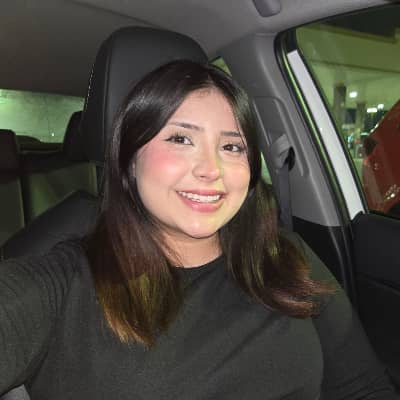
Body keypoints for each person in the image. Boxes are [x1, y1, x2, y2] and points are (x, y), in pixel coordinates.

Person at [0, 60, 398, 400]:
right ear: (129, 159)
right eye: (180, 138)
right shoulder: (60, 285)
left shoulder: (285, 256)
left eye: (232, 147)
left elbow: (363, 388)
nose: (211, 169)